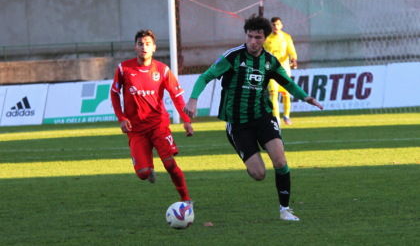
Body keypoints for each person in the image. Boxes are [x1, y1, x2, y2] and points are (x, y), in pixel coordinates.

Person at [183, 15, 323, 221]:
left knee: (280, 160)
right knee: (259, 174)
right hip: (238, 123)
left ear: (265, 38)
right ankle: (248, 153)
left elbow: (288, 83)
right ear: (246, 35)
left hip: (262, 116)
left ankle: (285, 210)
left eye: (258, 37)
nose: (253, 41)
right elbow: (205, 77)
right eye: (250, 36)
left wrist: (305, 96)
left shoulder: (270, 61)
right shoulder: (233, 57)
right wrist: (193, 99)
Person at [110, 29, 194, 204]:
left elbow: (176, 96)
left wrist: (186, 121)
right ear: (135, 47)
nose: (144, 47)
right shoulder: (124, 68)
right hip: (136, 129)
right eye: (141, 44)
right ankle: (148, 169)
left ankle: (186, 199)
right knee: (143, 174)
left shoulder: (162, 70)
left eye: (148, 44)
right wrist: (122, 118)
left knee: (170, 164)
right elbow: (114, 93)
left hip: (158, 125)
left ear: (154, 48)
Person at [263, 17, 298, 125]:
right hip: (270, 71)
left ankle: (286, 116)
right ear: (271, 26)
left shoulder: (286, 37)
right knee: (273, 94)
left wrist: (293, 60)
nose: (276, 27)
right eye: (273, 24)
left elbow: (292, 52)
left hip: (284, 70)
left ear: (281, 25)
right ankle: (276, 118)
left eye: (278, 24)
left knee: (285, 94)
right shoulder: (266, 38)